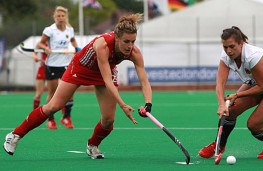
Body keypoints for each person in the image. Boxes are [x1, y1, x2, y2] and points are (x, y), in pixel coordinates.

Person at [3, 13, 153, 160]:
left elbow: (144, 81)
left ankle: (92, 145)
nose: (130, 46)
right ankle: (14, 135)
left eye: (133, 41)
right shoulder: (103, 45)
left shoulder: (134, 53)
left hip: (105, 69)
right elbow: (108, 81)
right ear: (117, 37)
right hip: (81, 68)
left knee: (108, 120)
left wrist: (148, 104)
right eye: (126, 41)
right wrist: (123, 105)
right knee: (53, 106)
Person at [198, 26, 263, 163]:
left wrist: (237, 95)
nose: (228, 51)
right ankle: (218, 146)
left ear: (241, 43)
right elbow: (220, 83)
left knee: (254, 124)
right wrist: (221, 105)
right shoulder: (225, 56)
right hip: (257, 82)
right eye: (225, 47)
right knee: (229, 111)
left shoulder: (252, 57)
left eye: (232, 46)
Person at [37, 6, 81, 129]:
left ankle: (66, 117)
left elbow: (73, 41)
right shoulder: (49, 30)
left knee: (70, 92)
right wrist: (46, 48)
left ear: (65, 17)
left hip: (66, 64)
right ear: (55, 17)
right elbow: (40, 43)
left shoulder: (69, 30)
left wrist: (76, 48)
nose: (60, 18)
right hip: (52, 65)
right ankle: (50, 120)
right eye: (58, 16)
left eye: (62, 16)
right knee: (52, 92)